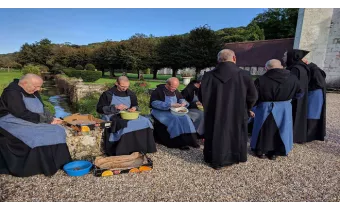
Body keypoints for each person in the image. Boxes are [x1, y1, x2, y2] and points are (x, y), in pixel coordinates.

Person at [0, 74, 71, 177]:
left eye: (39, 86)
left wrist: (50, 117)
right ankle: (41, 167)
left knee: (58, 130)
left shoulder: (32, 90)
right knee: (36, 136)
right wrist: (46, 120)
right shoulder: (11, 93)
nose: (38, 89)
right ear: (24, 83)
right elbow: (21, 113)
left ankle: (60, 163)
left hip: (29, 119)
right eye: (36, 86)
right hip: (12, 121)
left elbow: (42, 108)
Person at [198, 49, 258, 169]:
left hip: (214, 112)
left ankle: (214, 159)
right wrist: (247, 108)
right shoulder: (244, 75)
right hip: (237, 112)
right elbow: (253, 96)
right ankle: (234, 157)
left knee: (215, 133)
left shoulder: (208, 75)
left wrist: (209, 106)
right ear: (234, 58)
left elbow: (201, 95)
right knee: (234, 133)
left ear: (218, 60)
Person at [250, 59, 304, 160]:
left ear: (266, 68)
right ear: (281, 66)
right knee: (281, 129)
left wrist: (251, 107)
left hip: (264, 108)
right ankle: (276, 152)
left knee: (264, 129)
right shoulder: (293, 78)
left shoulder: (260, 80)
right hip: (284, 109)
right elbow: (300, 93)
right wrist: (288, 101)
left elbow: (254, 96)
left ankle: (260, 151)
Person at [96, 76, 157, 156]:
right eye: (122, 86)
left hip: (128, 114)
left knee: (145, 121)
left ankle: (142, 148)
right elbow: (99, 109)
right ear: (116, 83)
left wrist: (134, 108)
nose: (125, 88)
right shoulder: (108, 94)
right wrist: (115, 107)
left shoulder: (131, 94)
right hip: (112, 115)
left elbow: (136, 105)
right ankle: (123, 150)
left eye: (127, 86)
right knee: (125, 124)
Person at [150, 77, 199, 150]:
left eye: (176, 87)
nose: (175, 89)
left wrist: (183, 102)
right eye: (173, 87)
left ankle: (191, 140)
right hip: (159, 111)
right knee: (175, 119)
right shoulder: (158, 91)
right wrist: (170, 104)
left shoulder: (175, 90)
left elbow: (181, 98)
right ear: (167, 84)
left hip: (173, 110)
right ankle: (178, 143)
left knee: (186, 118)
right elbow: (154, 103)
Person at [283, 49, 310, 144]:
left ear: (291, 57)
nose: (283, 58)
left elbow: (290, 84)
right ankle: (299, 136)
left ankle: (292, 136)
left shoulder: (294, 69)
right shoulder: (303, 67)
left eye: (285, 56)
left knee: (293, 114)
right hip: (302, 96)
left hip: (295, 97)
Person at [302, 59, 327, 142]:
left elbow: (320, 83)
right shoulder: (312, 68)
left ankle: (310, 136)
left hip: (315, 95)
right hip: (313, 94)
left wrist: (307, 88)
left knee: (312, 114)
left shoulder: (314, 70)